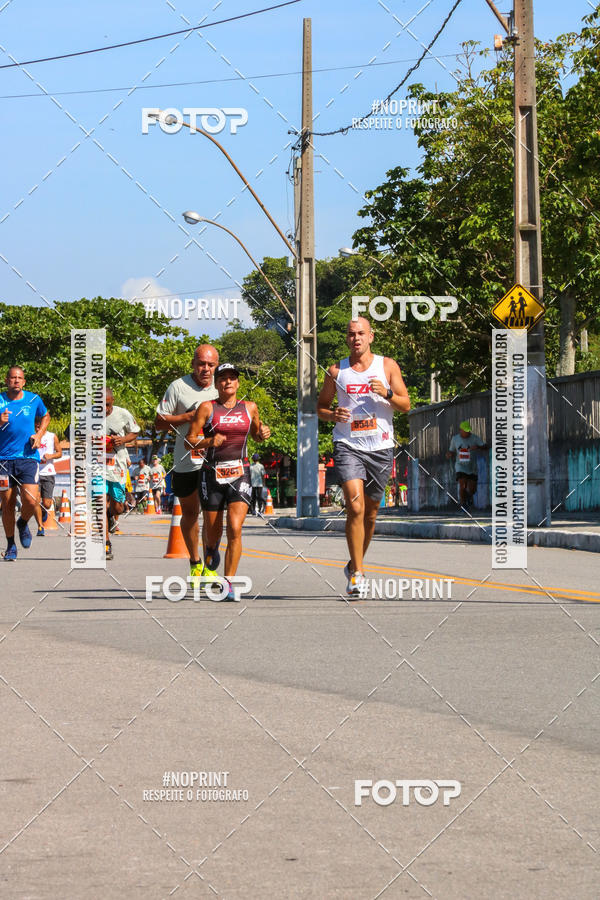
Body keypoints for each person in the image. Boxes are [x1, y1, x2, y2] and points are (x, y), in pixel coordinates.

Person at [317, 317, 410, 596]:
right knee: (355, 507)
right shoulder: (336, 371)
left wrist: (388, 393)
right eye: (351, 334)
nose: (355, 338)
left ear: (371, 337)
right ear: (346, 339)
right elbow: (320, 407)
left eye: (361, 333)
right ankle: (357, 574)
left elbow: (405, 405)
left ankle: (354, 561)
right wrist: (333, 414)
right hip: (348, 445)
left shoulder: (387, 366)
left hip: (380, 448)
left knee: (371, 514)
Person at [187, 363, 270, 600]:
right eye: (223, 378)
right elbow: (188, 441)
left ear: (238, 383)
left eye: (233, 378)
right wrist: (208, 442)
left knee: (234, 527)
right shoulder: (207, 408)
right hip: (211, 475)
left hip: (239, 473)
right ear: (216, 384)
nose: (228, 382)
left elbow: (256, 435)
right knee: (212, 533)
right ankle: (210, 553)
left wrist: (263, 433)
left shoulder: (250, 408)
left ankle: (229, 582)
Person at [154, 345, 220, 584]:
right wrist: (189, 417)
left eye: (211, 365)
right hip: (186, 461)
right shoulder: (178, 387)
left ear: (217, 366)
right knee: (191, 513)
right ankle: (195, 562)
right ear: (193, 364)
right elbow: (159, 422)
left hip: (215, 461)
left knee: (213, 516)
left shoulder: (221, 386)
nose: (206, 369)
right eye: (201, 364)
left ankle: (211, 564)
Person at [0, 366, 50, 561]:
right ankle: (11, 545)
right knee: (8, 504)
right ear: (6, 380)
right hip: (3, 460)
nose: (16, 381)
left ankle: (23, 522)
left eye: (19, 378)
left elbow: (45, 416)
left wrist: (39, 434)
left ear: (24, 381)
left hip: (28, 457)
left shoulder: (33, 399)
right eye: (12, 378)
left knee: (31, 499)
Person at [105, 389, 140, 559]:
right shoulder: (88, 415)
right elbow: (73, 432)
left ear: (113, 401)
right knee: (99, 502)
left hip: (116, 463)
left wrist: (123, 440)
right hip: (96, 464)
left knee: (118, 506)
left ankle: (111, 515)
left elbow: (135, 431)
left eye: (107, 405)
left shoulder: (122, 414)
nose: (103, 409)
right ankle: (106, 544)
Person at [446, 421, 487, 510]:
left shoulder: (475, 438)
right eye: (465, 431)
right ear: (460, 430)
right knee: (462, 484)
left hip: (472, 466)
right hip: (460, 465)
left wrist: (478, 447)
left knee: (473, 489)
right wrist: (449, 454)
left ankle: (468, 497)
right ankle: (463, 503)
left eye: (468, 431)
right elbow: (451, 451)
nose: (467, 433)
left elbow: (486, 446)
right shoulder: (455, 439)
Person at [33, 428, 62, 536]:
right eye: (36, 426)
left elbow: (60, 453)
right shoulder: (31, 435)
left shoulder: (52, 436)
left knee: (47, 504)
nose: (37, 429)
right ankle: (40, 526)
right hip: (34, 472)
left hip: (48, 472)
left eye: (39, 426)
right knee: (35, 500)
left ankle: (44, 511)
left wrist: (51, 456)